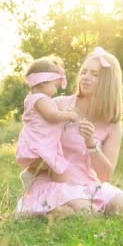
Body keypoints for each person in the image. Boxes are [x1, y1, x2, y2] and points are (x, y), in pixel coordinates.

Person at [15, 47, 123, 218]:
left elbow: (105, 175)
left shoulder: (113, 123)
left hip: (87, 183)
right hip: (54, 181)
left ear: (108, 82)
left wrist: (91, 144)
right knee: (87, 213)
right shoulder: (58, 106)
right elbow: (33, 139)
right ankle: (49, 210)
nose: (85, 77)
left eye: (94, 74)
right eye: (84, 72)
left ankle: (63, 212)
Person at [16, 56, 79, 191]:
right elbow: (52, 116)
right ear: (43, 82)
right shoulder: (41, 99)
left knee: (53, 168)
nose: (56, 91)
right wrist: (69, 115)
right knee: (59, 169)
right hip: (41, 144)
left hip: (38, 142)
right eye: (54, 86)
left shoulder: (32, 99)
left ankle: (31, 174)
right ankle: (67, 192)